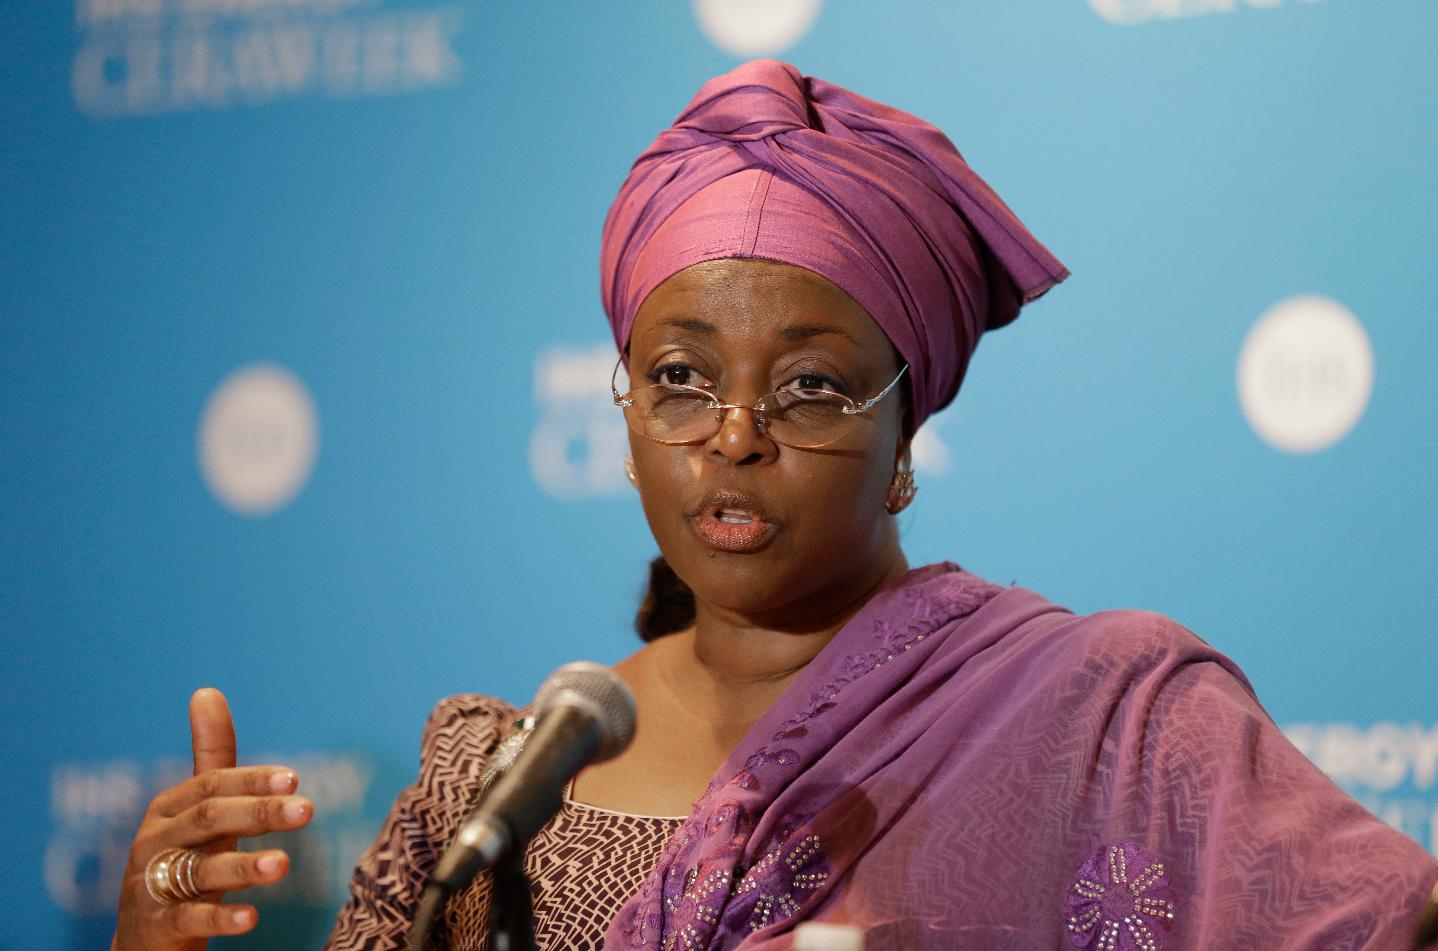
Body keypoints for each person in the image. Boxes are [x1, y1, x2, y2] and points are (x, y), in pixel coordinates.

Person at [111, 59, 1438, 951]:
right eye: (679, 378)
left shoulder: (1109, 721)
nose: (733, 437)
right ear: (622, 410)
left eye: (808, 387)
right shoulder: (492, 788)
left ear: (904, 427)